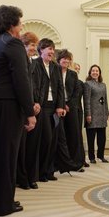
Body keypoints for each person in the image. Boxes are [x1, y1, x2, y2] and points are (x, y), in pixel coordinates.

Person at [0, 5, 36, 216]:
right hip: (7, 103)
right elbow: (21, 81)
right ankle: (2, 205)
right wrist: (30, 112)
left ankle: (0, 200)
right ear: (11, 24)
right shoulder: (12, 43)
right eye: (20, 23)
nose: (21, 28)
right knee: (7, 154)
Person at [35, 38, 66, 182]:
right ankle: (40, 172)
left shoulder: (55, 67)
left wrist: (60, 106)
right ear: (41, 50)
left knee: (53, 141)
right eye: (49, 49)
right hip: (41, 107)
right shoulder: (34, 64)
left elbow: (60, 88)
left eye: (53, 49)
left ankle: (48, 171)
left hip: (53, 108)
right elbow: (33, 86)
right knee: (45, 140)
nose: (52, 52)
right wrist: (35, 102)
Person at [16, 32, 41, 190]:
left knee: (28, 146)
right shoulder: (20, 60)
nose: (34, 48)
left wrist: (35, 102)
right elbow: (21, 85)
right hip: (21, 108)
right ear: (24, 45)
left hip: (31, 105)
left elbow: (32, 85)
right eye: (31, 45)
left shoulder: (31, 62)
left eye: (34, 45)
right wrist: (29, 106)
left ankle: (27, 176)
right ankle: (21, 178)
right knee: (20, 147)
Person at [58, 50, 85, 171]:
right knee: (60, 136)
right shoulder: (54, 71)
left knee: (74, 134)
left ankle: (75, 163)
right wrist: (62, 104)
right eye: (64, 58)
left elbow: (76, 92)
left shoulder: (73, 74)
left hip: (71, 108)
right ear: (59, 60)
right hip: (57, 107)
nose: (66, 61)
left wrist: (68, 104)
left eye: (68, 59)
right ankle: (60, 163)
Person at [84, 64, 109, 163]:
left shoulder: (103, 85)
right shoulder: (87, 84)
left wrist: (107, 112)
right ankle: (91, 157)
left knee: (102, 138)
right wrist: (88, 114)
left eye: (97, 71)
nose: (95, 72)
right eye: (93, 71)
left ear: (99, 73)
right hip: (92, 114)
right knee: (91, 138)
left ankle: (101, 156)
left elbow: (105, 99)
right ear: (90, 73)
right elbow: (86, 100)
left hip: (102, 114)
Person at [73, 62, 89, 167]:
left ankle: (81, 159)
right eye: (75, 68)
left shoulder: (81, 83)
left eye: (78, 69)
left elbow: (86, 100)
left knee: (78, 135)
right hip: (67, 111)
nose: (77, 70)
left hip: (78, 111)